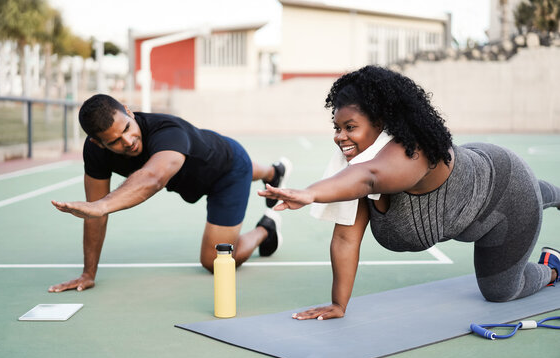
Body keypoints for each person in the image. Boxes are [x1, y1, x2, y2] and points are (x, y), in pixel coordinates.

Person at [258, 65, 560, 321]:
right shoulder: (354, 166)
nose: (340, 137)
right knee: (532, 196)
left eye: (350, 126)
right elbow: (346, 237)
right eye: (337, 127)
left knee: (501, 292)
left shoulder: (416, 152)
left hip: (505, 192)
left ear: (382, 123)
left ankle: (552, 268)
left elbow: (371, 177)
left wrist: (311, 193)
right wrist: (339, 303)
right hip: (479, 183)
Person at [49, 94, 292, 292]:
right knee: (222, 168)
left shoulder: (167, 129)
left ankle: (266, 228)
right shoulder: (95, 152)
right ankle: (273, 173)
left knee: (215, 262)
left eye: (127, 128)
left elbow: (152, 179)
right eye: (114, 142)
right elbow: (95, 213)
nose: (128, 141)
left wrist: (101, 206)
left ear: (128, 110)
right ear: (97, 143)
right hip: (199, 170)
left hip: (227, 172)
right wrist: (88, 273)